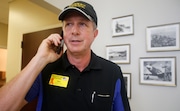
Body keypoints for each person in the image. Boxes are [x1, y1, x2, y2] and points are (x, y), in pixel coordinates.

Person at [0, 1, 130, 111]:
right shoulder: (45, 69)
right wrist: (40, 59)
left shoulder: (112, 72)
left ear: (94, 34)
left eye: (82, 24)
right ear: (63, 33)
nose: (74, 31)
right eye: (68, 24)